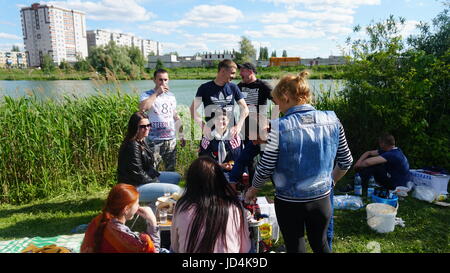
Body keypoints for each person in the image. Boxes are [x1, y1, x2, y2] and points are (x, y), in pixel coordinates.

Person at [245, 71, 353, 253]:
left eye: (277, 101)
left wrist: (252, 191)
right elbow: (346, 160)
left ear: (286, 96)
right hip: (322, 199)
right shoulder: (333, 119)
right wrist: (331, 182)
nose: (277, 106)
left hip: (289, 202)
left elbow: (265, 168)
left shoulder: (279, 127)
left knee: (295, 247)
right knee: (321, 244)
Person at [171, 156, 251, 253]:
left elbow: (175, 246)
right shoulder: (234, 207)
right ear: (220, 179)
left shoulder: (181, 206)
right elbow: (244, 248)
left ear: (191, 181)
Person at [117, 111, 182, 204]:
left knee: (176, 177)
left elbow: (147, 167)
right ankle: (158, 209)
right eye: (143, 126)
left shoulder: (141, 140)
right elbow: (138, 174)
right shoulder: (132, 145)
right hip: (133, 187)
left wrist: (155, 177)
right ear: (134, 127)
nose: (147, 128)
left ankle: (155, 206)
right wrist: (155, 182)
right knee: (176, 190)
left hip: (142, 180)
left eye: (149, 125)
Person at [80, 183, 160, 253]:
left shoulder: (98, 221)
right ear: (126, 209)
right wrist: (152, 222)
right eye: (137, 203)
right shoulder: (129, 241)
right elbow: (154, 251)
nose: (138, 206)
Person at [190, 59, 249, 140]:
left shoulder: (233, 87)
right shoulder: (204, 88)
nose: (234, 76)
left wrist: (238, 126)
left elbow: (245, 109)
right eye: (232, 73)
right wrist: (204, 127)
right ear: (223, 71)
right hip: (211, 134)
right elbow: (192, 110)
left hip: (231, 134)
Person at [139, 69, 185, 172]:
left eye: (165, 80)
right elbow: (143, 108)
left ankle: (168, 188)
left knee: (171, 169)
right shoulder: (147, 94)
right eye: (160, 80)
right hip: (154, 140)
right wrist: (157, 93)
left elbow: (175, 115)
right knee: (151, 169)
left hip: (170, 140)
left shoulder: (171, 96)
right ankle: (152, 187)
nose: (163, 83)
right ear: (154, 80)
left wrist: (181, 134)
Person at [199, 111, 242, 182]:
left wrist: (232, 166)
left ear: (228, 121)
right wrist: (219, 166)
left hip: (232, 172)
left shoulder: (235, 137)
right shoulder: (207, 138)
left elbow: (239, 157)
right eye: (217, 119)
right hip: (212, 172)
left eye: (223, 119)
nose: (220, 121)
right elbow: (203, 161)